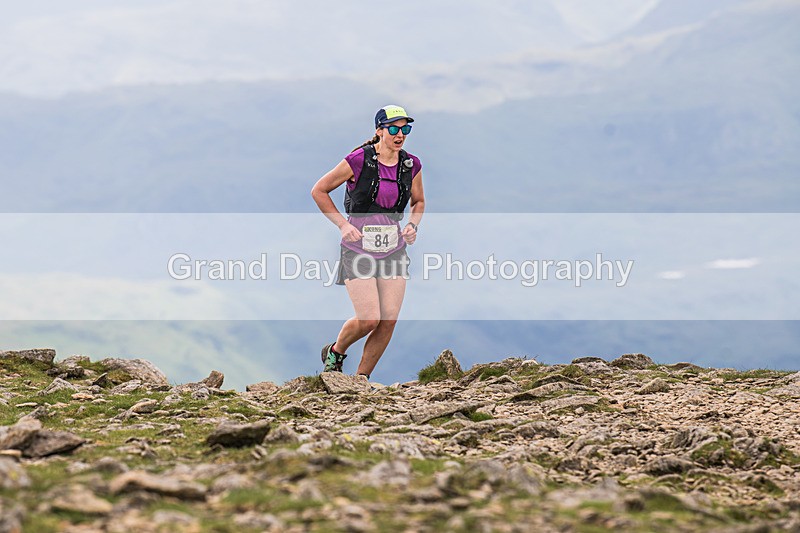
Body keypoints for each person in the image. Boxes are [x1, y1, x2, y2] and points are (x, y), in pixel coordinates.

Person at [310, 105, 425, 379]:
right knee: (369, 318)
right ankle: (336, 352)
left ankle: (360, 381)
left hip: (393, 248)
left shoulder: (411, 164)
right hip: (357, 247)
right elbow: (319, 190)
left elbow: (418, 201)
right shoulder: (359, 160)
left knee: (388, 321)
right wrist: (343, 225)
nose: (400, 135)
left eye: (405, 129)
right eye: (394, 129)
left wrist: (412, 225)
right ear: (379, 131)